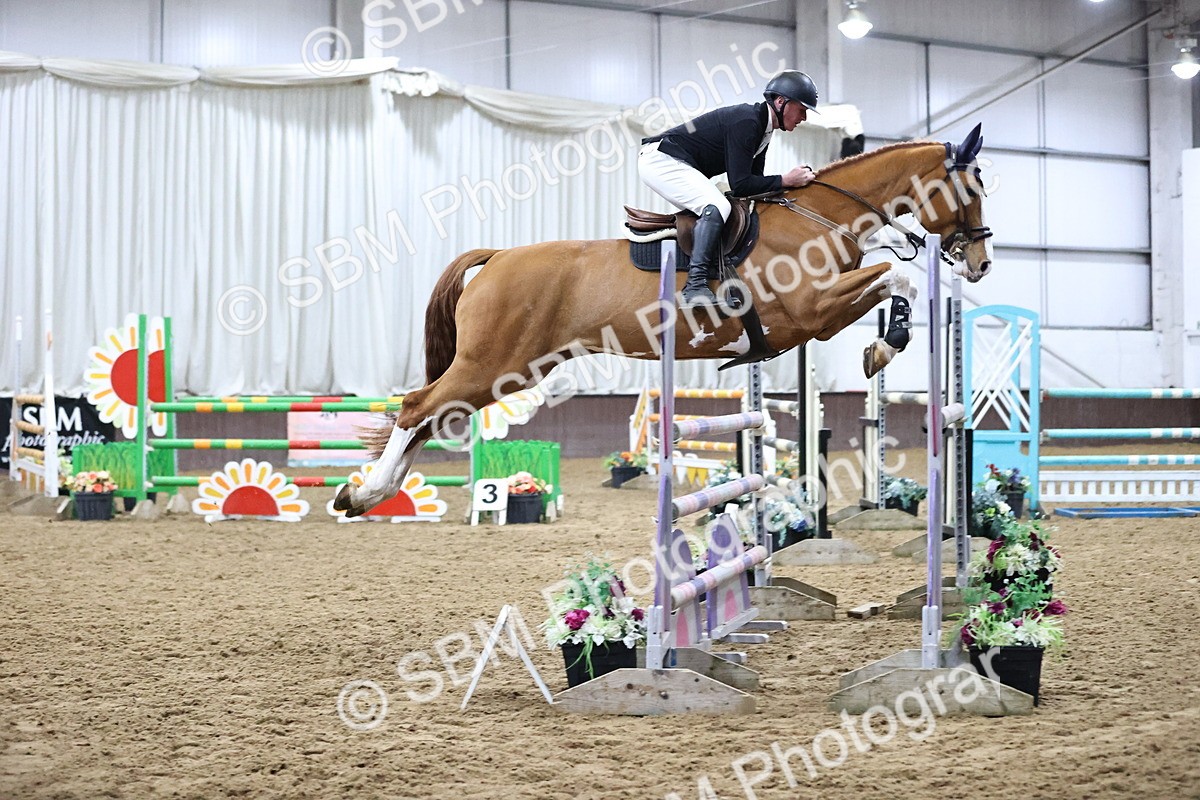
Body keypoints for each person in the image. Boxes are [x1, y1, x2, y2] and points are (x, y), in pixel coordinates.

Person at [638, 70, 820, 307]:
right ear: (780, 101)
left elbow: (752, 186)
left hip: (674, 161)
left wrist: (790, 188)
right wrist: (786, 180)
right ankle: (695, 287)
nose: (803, 117)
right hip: (660, 159)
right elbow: (741, 184)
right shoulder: (747, 122)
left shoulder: (763, 131)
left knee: (725, 208)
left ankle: (715, 277)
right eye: (802, 109)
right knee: (716, 206)